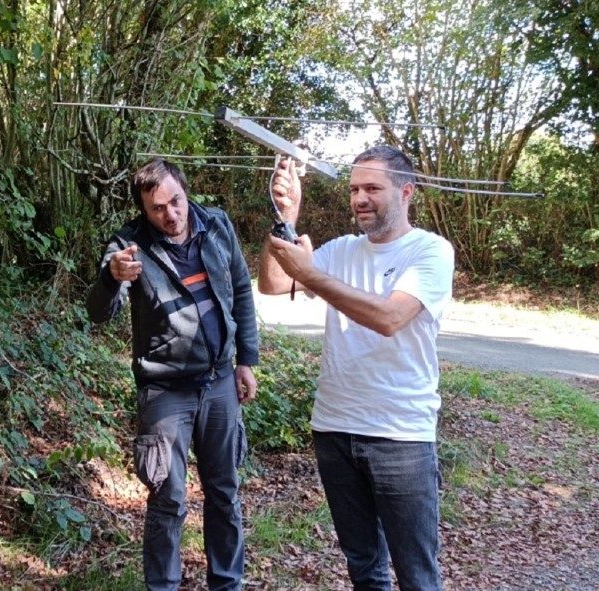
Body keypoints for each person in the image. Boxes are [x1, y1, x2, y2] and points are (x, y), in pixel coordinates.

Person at [259, 146, 454, 590]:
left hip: (400, 437)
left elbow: (389, 317)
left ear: (406, 191)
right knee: (363, 567)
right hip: (334, 429)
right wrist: (286, 218)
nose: (360, 198)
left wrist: (310, 275)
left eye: (372, 188)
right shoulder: (342, 250)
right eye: (354, 189)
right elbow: (272, 283)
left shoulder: (430, 251)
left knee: (417, 574)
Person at [86, 157, 259, 591]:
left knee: (224, 493)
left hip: (220, 381)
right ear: (143, 211)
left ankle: (227, 583)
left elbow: (240, 289)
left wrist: (247, 360)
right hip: (165, 392)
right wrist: (112, 277)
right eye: (157, 209)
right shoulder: (128, 245)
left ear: (185, 189)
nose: (170, 214)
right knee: (168, 499)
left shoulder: (217, 225)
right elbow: (97, 313)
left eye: (175, 201)